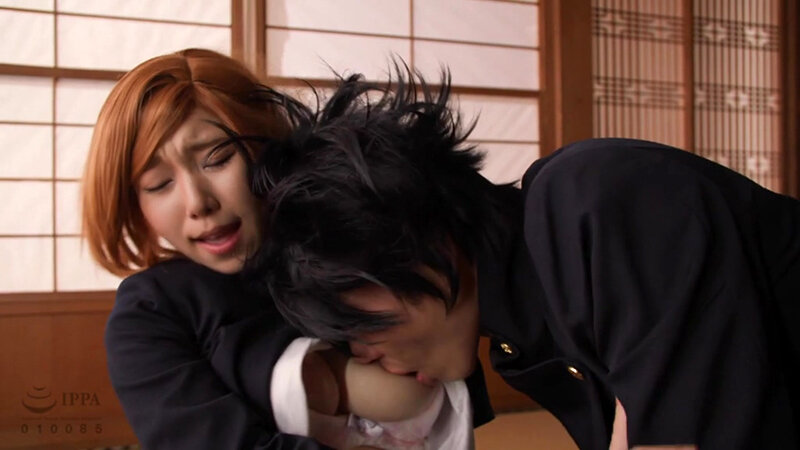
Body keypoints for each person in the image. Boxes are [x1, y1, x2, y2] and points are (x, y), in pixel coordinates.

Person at [247, 69, 800, 449]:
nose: (367, 356)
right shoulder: (518, 338)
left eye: (356, 328)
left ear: (410, 241)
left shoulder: (593, 199)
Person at [81, 49, 488, 449]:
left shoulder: (342, 236)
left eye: (218, 159)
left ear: (266, 145)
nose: (197, 202)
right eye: (158, 184)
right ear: (134, 205)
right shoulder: (152, 312)